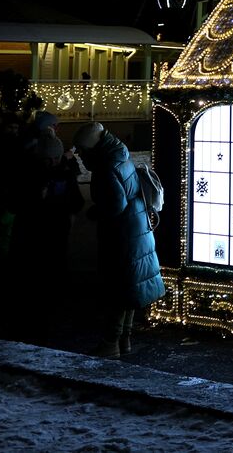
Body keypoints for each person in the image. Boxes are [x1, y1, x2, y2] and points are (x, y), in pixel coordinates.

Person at [73, 122, 164, 356]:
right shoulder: (120, 154)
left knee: (116, 290)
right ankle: (124, 340)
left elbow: (114, 204)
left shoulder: (106, 166)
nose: (80, 155)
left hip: (121, 234)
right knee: (128, 288)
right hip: (135, 226)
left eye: (82, 150)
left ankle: (110, 343)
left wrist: (95, 212)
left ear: (91, 147)